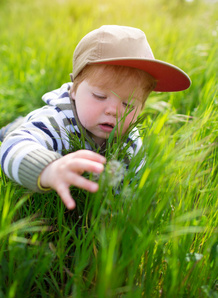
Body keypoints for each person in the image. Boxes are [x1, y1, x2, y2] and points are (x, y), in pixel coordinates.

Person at [0, 25, 191, 210]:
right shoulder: (57, 121)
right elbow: (12, 146)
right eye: (100, 96)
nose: (114, 111)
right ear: (74, 89)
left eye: (129, 104)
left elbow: (131, 186)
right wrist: (48, 169)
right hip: (14, 133)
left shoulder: (131, 141)